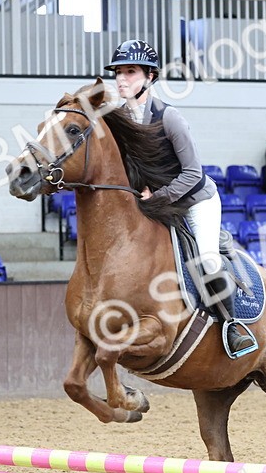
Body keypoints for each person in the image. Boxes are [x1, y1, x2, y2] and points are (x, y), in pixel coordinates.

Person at [105, 39, 257, 358]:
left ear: (149, 77)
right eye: (118, 72)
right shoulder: (118, 120)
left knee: (207, 259)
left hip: (195, 199)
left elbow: (192, 173)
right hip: (156, 202)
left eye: (130, 72)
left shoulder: (169, 117)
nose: (121, 79)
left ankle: (233, 326)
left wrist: (156, 196)